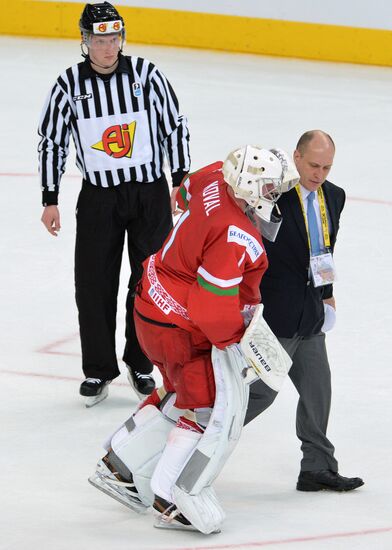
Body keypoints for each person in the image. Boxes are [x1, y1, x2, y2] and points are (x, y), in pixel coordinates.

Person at [87, 145, 299, 533]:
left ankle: (118, 466)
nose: (274, 194)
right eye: (269, 187)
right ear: (249, 184)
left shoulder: (219, 176)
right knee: (206, 409)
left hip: (150, 307)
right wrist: (237, 341)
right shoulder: (236, 235)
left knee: (173, 393)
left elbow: (182, 192)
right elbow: (210, 307)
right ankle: (171, 499)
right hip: (180, 329)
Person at [38, 2, 190, 406]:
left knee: (149, 281)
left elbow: (174, 124)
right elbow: (51, 141)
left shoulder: (146, 75)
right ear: (85, 41)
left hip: (148, 194)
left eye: (115, 38)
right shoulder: (68, 84)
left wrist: (179, 179)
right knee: (93, 283)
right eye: (100, 39)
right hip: (99, 198)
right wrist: (49, 197)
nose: (109, 47)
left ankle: (141, 362)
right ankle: (98, 369)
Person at [256, 130, 364, 492]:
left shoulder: (334, 196)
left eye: (327, 167)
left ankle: (317, 466)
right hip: (274, 314)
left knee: (318, 389)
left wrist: (327, 292)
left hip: (310, 313)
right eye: (314, 165)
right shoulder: (272, 196)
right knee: (259, 394)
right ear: (297, 157)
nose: (320, 173)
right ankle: (194, 443)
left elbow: (325, 248)